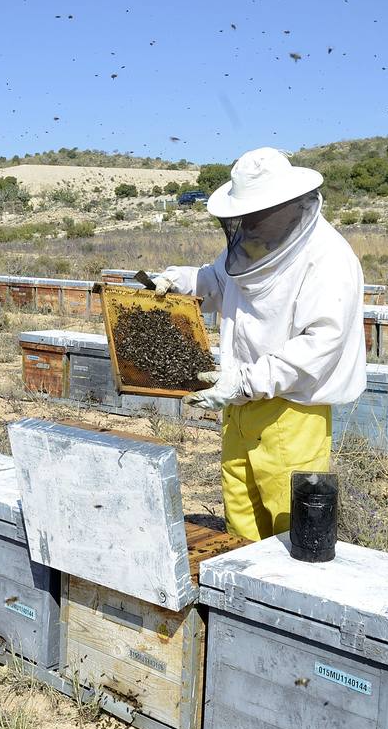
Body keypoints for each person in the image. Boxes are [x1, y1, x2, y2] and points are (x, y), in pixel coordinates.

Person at [154, 148, 366, 541]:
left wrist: (247, 382)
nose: (248, 224)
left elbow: (321, 343)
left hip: (292, 413)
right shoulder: (254, 241)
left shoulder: (329, 258)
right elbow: (217, 281)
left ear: (284, 206)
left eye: (256, 215)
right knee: (241, 518)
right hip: (239, 403)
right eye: (244, 217)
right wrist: (177, 282)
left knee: (292, 528)